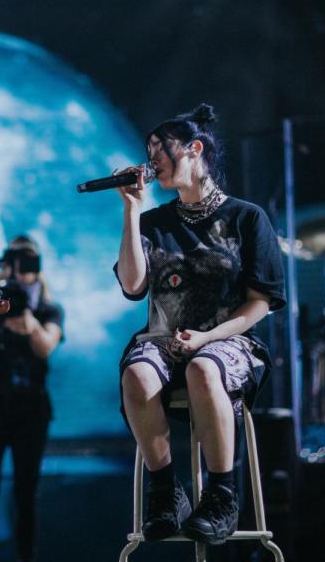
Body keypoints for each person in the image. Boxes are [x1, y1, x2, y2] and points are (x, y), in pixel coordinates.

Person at [114, 104, 286, 545]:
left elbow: (259, 305)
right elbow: (133, 286)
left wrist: (209, 337)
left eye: (160, 151)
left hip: (227, 341)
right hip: (163, 337)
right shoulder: (154, 223)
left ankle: (221, 494)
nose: (152, 162)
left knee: (203, 368)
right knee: (136, 371)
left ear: (194, 149)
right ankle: (166, 492)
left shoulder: (247, 218)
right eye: (148, 152)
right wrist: (132, 211)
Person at [0, 235, 64, 562]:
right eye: (15, 260)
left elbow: (46, 346)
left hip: (30, 409)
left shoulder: (48, 308)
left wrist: (28, 323)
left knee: (27, 493)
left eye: (28, 261)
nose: (22, 268)